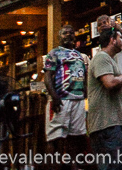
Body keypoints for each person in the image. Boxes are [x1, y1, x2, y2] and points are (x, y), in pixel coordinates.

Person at [87, 26, 122, 170]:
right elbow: (110, 83)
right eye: (119, 38)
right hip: (106, 124)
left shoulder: (110, 60)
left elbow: (117, 84)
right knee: (112, 166)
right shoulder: (101, 58)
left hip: (113, 123)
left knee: (116, 165)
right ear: (112, 40)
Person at [44, 24, 89, 161]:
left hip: (78, 99)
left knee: (75, 136)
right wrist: (54, 97)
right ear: (59, 37)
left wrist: (85, 92)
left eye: (71, 33)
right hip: (61, 99)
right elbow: (47, 77)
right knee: (55, 137)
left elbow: (84, 75)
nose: (68, 35)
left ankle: (73, 165)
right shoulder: (54, 53)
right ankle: (53, 166)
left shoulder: (80, 55)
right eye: (65, 33)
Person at [95, 14, 122, 158]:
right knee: (118, 118)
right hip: (117, 81)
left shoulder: (119, 35)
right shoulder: (103, 49)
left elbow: (120, 33)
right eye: (100, 24)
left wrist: (115, 26)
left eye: (105, 22)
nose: (103, 25)